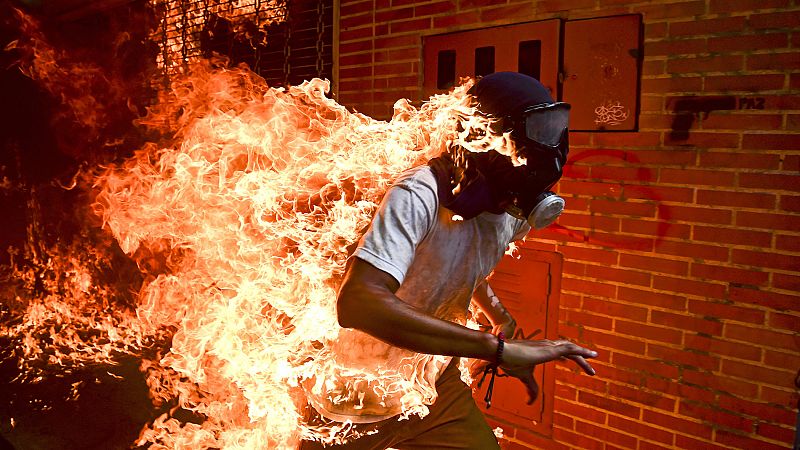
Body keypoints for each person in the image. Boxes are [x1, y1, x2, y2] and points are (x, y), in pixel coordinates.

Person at [300, 72, 596, 449]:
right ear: (484, 137)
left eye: (556, 129)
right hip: (358, 396)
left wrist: (501, 321)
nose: (549, 148)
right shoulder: (418, 194)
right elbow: (359, 301)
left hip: (433, 384)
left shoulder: (511, 212)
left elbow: (461, 266)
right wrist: (495, 349)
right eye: (538, 130)